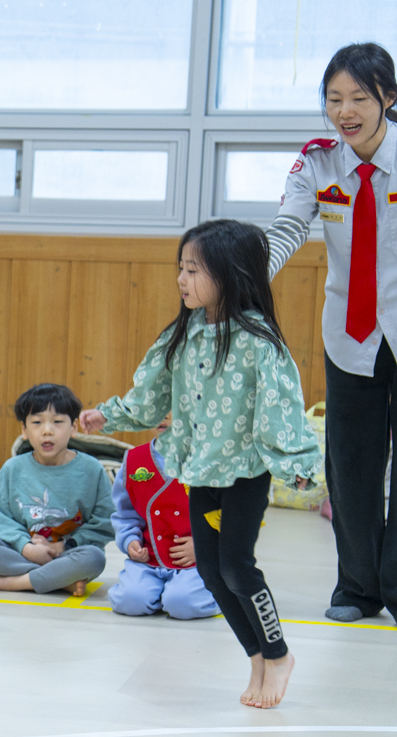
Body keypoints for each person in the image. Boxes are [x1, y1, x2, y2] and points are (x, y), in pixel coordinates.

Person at [268, 43, 397, 635]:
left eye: (359, 98)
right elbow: (287, 227)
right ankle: (357, 587)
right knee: (352, 466)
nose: (345, 111)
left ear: (388, 97)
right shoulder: (316, 163)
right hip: (350, 335)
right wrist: (252, 275)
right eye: (334, 99)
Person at [82, 220, 321, 709]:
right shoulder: (183, 333)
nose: (182, 279)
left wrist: (296, 464)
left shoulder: (259, 342)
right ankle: (256, 656)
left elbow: (280, 410)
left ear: (231, 273)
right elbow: (150, 396)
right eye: (181, 268)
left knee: (237, 567)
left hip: (245, 474)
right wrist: (111, 415)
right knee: (212, 572)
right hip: (198, 471)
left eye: (193, 270)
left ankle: (278, 655)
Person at [0, 383, 112, 597]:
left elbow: (104, 523)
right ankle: (58, 580)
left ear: (74, 427)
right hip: (23, 553)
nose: (47, 430)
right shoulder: (12, 468)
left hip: (68, 554)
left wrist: (64, 546)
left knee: (94, 558)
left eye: (57, 422)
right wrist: (27, 548)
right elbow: (2, 520)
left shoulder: (92, 469)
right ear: (24, 430)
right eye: (37, 422)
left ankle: (10, 583)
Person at [106, 419, 219, 622]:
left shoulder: (210, 458)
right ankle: (160, 592)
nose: (164, 416)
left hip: (196, 562)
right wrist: (130, 540)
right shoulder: (133, 459)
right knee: (130, 601)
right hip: (148, 560)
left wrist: (204, 545)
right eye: (157, 407)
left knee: (182, 603)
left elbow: (227, 514)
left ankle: (217, 593)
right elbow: (125, 514)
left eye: (172, 407)